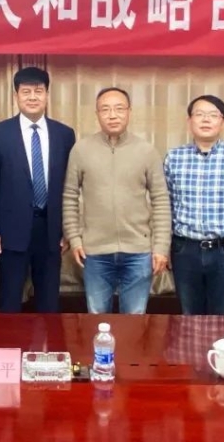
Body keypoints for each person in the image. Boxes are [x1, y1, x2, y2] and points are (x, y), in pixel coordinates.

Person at [62, 87, 170, 314]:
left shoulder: (146, 151)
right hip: (95, 252)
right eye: (105, 109)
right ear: (97, 114)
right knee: (97, 320)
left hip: (138, 252)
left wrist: (161, 247)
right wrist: (75, 238)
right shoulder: (81, 150)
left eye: (119, 109)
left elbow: (160, 200)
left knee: (134, 321)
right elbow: (69, 196)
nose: (112, 115)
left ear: (129, 112)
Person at [0, 67, 75, 313]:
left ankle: (48, 339)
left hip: (51, 230)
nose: (32, 97)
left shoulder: (64, 134)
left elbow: (70, 187)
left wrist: (68, 229)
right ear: (16, 96)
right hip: (10, 231)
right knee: (10, 301)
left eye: (38, 91)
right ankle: (10, 339)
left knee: (49, 302)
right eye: (26, 92)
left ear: (47, 95)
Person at [164, 95, 224, 315]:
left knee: (223, 316)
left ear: (223, 122)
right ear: (189, 121)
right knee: (189, 315)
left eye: (213, 115)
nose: (206, 120)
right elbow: (166, 206)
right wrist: (163, 247)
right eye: (199, 114)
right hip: (184, 249)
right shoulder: (174, 157)